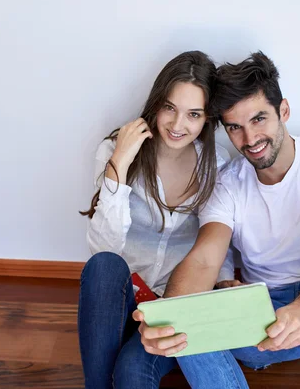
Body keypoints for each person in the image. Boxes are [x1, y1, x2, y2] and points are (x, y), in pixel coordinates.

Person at [133, 51, 300, 389]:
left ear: (284, 111)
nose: (249, 139)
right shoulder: (226, 182)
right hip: (260, 320)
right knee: (185, 320)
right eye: (235, 127)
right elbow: (206, 258)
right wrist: (170, 318)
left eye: (259, 119)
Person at [77, 50, 236, 389]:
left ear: (207, 118)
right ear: (156, 103)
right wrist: (120, 163)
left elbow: (218, 238)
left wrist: (223, 282)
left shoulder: (217, 166)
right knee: (103, 265)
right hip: (118, 297)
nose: (179, 126)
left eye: (193, 114)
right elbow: (103, 249)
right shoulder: (116, 150)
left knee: (132, 370)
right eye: (170, 108)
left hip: (171, 303)